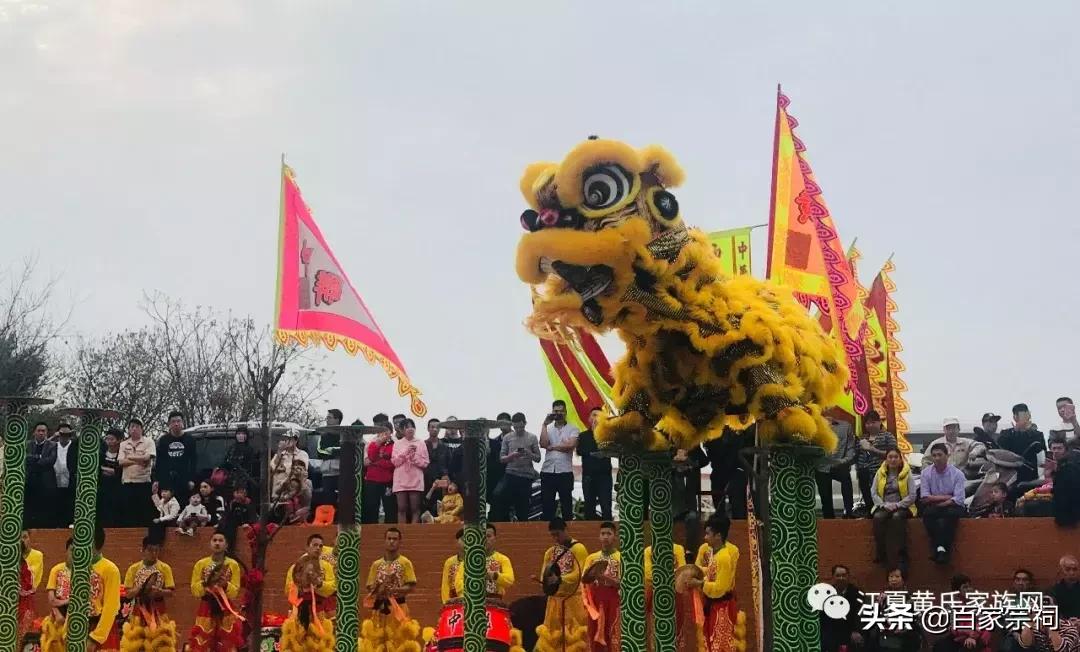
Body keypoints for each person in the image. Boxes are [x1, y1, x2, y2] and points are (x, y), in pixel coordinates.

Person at [360, 528, 422, 652]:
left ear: (400, 542)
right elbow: (370, 586)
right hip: (379, 609)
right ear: (384, 541)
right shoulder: (376, 564)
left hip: (398, 607)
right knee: (376, 642)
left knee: (399, 640)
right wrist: (378, 589)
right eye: (389, 539)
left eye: (395, 539)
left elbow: (411, 585)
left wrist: (394, 590)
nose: (392, 541)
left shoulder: (405, 562)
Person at [691, 515, 746, 652]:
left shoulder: (724, 557)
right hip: (713, 606)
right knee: (711, 644)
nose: (705, 537)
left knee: (721, 646)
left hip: (722, 608)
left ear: (718, 536)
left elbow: (719, 589)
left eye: (708, 534)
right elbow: (709, 573)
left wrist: (700, 583)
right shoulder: (712, 553)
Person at [535, 518, 589, 652]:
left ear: (565, 530)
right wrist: (543, 581)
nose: (555, 538)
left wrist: (560, 579)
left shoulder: (579, 548)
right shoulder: (550, 552)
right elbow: (545, 573)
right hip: (554, 601)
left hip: (573, 600)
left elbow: (580, 573)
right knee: (552, 637)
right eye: (552, 535)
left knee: (575, 637)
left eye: (557, 534)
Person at [187, 530, 244, 651]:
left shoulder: (233, 564)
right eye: (214, 540)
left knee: (227, 642)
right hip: (206, 607)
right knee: (202, 642)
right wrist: (206, 584)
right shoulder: (201, 564)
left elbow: (235, 591)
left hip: (226, 608)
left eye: (220, 540)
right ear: (210, 544)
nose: (217, 543)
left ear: (226, 545)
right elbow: (194, 589)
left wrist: (225, 585)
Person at [120, 536, 177, 651]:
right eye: (150, 550)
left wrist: (160, 592)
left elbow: (171, 592)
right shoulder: (133, 569)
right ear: (143, 550)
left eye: (157, 550)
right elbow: (128, 594)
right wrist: (139, 589)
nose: (154, 553)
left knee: (161, 644)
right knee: (136, 644)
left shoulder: (165, 568)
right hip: (138, 609)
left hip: (159, 610)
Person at [644, 540, 698, 652]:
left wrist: (661, 574)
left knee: (678, 627)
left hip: (676, 593)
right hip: (656, 594)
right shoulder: (649, 551)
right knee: (656, 629)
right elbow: (648, 574)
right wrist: (672, 574)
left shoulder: (678, 548)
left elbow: (683, 572)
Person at [919, 443, 966, 564]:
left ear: (947, 455)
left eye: (940, 455)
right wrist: (947, 496)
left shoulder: (957, 474)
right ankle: (942, 550)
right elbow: (924, 497)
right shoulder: (925, 473)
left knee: (948, 516)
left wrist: (939, 501)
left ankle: (940, 549)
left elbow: (959, 499)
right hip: (934, 507)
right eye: (934, 455)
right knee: (928, 514)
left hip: (952, 507)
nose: (937, 458)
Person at [871, 447, 917, 567]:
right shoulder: (879, 473)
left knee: (897, 517)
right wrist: (883, 504)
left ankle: (902, 552)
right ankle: (881, 552)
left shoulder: (907, 473)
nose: (893, 460)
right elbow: (874, 492)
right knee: (878, 518)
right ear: (886, 460)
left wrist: (898, 505)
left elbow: (912, 495)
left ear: (900, 459)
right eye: (890, 457)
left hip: (904, 506)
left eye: (896, 457)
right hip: (884, 505)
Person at [283, 533, 337, 634]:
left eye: (320, 546)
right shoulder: (295, 567)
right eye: (315, 545)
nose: (318, 548)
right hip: (300, 611)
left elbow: (332, 587)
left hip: (321, 613)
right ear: (307, 547)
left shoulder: (327, 566)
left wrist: (319, 584)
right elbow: (288, 590)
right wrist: (303, 586)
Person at [494, 412, 541, 522]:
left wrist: (528, 453)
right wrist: (512, 456)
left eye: (520, 427)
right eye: (516, 427)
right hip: (511, 473)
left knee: (522, 506)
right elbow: (502, 458)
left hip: (526, 476)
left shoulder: (532, 437)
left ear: (525, 423)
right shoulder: (507, 437)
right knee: (498, 496)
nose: (518, 430)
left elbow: (538, 458)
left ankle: (523, 529)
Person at [582, 522, 621, 652]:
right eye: (602, 533)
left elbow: (623, 584)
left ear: (615, 537)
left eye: (608, 533)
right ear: (599, 537)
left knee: (613, 632)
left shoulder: (621, 558)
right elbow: (584, 581)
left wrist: (603, 578)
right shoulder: (592, 558)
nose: (605, 537)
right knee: (593, 633)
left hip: (614, 600)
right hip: (595, 600)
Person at [540, 400, 579, 521]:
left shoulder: (573, 429)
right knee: (547, 506)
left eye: (561, 411)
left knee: (566, 505)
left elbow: (570, 446)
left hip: (565, 471)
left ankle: (569, 533)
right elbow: (543, 444)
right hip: (548, 471)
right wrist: (544, 425)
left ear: (566, 412)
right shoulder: (548, 429)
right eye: (555, 411)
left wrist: (553, 447)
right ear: (552, 412)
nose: (558, 414)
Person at [932, 574, 991, 652]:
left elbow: (983, 622)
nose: (969, 589)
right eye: (965, 587)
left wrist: (972, 636)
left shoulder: (978, 601)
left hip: (979, 634)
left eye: (969, 586)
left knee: (967, 647)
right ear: (957, 590)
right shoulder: (952, 603)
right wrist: (966, 632)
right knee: (940, 646)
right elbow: (952, 625)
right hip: (960, 634)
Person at [854, 410, 896, 513]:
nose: (870, 425)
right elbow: (857, 453)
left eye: (873, 422)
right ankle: (869, 511)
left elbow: (893, 454)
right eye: (868, 423)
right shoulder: (863, 438)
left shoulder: (887, 436)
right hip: (863, 472)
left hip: (880, 472)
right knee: (866, 495)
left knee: (879, 494)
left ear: (879, 422)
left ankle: (881, 511)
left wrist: (872, 449)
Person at [815, 416, 856, 519]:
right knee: (825, 498)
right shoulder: (815, 425)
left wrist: (845, 460)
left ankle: (848, 511)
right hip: (822, 465)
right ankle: (829, 520)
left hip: (839, 463)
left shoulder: (846, 426)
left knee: (846, 479)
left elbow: (850, 446)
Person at [577, 407, 614, 521]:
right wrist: (592, 453)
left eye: (598, 415)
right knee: (589, 507)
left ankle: (608, 533)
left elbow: (613, 450)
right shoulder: (583, 436)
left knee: (606, 507)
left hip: (604, 476)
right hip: (589, 476)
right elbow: (579, 451)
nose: (595, 418)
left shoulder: (608, 435)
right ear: (589, 418)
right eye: (593, 415)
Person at [118, 417, 155, 528]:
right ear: (129, 429)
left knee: (143, 512)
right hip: (128, 482)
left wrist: (130, 456)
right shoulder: (123, 444)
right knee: (128, 513)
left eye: (137, 427)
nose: (134, 429)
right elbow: (120, 462)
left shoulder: (149, 441)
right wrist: (139, 459)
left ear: (142, 429)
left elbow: (148, 457)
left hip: (143, 482)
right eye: (132, 427)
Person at [154, 411, 197, 505]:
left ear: (183, 423)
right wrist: (157, 479)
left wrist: (192, 479)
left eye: (178, 421)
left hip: (184, 480)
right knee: (167, 509)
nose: (176, 424)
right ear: (169, 424)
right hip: (167, 480)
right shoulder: (163, 440)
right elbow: (159, 461)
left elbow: (194, 461)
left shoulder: (190, 440)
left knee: (183, 508)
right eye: (173, 421)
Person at [997, 403, 1047, 485]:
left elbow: (1042, 456)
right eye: (1022, 416)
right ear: (1015, 417)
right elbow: (1001, 451)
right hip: (1010, 477)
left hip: (1031, 477)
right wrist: (1016, 430)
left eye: (1027, 415)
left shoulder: (1037, 435)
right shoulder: (1006, 434)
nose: (1026, 419)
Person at [819, 564, 865, 652]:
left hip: (850, 631)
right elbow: (823, 617)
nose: (841, 578)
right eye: (838, 575)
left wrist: (856, 630)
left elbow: (860, 614)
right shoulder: (826, 593)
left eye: (844, 575)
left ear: (848, 577)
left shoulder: (857, 593)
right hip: (831, 632)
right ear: (833, 577)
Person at [392, 418, 430, 523]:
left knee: (415, 508)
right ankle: (401, 533)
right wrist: (405, 453)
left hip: (415, 479)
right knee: (401, 508)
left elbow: (425, 463)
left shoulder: (421, 443)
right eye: (406, 427)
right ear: (401, 430)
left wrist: (414, 458)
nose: (410, 429)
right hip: (400, 480)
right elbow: (395, 462)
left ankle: (413, 533)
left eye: (412, 426)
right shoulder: (397, 443)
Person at [922, 418, 987, 477]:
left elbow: (980, 446)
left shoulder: (965, 442)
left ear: (958, 429)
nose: (951, 431)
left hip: (962, 478)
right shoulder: (936, 444)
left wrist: (974, 452)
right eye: (948, 428)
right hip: (941, 478)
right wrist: (932, 476)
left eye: (954, 428)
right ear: (944, 430)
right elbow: (925, 461)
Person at [40, 538, 73, 652]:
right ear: (66, 551)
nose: (74, 554)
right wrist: (59, 611)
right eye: (71, 550)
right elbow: (51, 600)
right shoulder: (56, 570)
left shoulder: (87, 572)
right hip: (58, 618)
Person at [25, 421, 57, 529]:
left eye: (43, 431)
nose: (41, 433)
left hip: (46, 482)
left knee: (44, 509)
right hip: (30, 481)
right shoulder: (28, 444)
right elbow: (26, 458)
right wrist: (39, 457)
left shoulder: (53, 445)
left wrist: (35, 460)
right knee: (29, 508)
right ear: (34, 432)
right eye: (39, 431)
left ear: (47, 433)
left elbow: (50, 461)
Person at [362, 425, 398, 524]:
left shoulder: (396, 444)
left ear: (391, 432)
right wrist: (378, 443)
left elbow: (393, 463)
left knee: (389, 508)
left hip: (388, 481)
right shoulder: (372, 443)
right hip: (372, 480)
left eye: (387, 432)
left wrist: (378, 462)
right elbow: (370, 459)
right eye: (381, 431)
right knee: (371, 507)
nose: (384, 434)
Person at [52, 422, 78, 528]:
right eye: (62, 434)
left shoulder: (74, 446)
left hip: (70, 479)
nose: (64, 437)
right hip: (55, 479)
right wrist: (54, 436)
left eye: (67, 434)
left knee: (69, 503)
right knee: (56, 504)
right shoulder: (53, 445)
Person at [270, 431, 310, 496]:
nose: (287, 441)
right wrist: (280, 450)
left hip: (295, 483)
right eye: (286, 438)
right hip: (280, 485)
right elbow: (274, 467)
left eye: (290, 438)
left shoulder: (303, 454)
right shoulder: (280, 454)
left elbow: (302, 469)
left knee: (308, 484)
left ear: (296, 440)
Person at [425, 418, 452, 513]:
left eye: (437, 427)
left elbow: (449, 464)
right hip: (426, 481)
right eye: (432, 427)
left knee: (441, 509)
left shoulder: (445, 446)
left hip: (442, 482)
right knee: (425, 508)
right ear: (428, 429)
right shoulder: (422, 445)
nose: (434, 429)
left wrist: (446, 475)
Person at [221, 426, 258, 493]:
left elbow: (252, 465)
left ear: (246, 436)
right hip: (230, 481)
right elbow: (225, 462)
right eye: (239, 434)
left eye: (243, 434)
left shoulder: (250, 449)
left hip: (245, 481)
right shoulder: (232, 448)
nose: (240, 436)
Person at [98, 427, 123, 527]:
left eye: (112, 439)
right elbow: (98, 469)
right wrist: (109, 470)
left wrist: (106, 469)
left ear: (118, 440)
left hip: (117, 489)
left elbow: (119, 472)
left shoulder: (122, 455)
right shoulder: (101, 454)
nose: (109, 441)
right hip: (103, 489)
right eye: (107, 439)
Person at [440, 530, 465, 604]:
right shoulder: (450, 562)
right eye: (463, 539)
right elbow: (445, 585)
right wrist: (446, 603)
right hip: (453, 601)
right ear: (457, 542)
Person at [1052, 555, 1080, 620]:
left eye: (1075, 569)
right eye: (1067, 569)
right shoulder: (1054, 590)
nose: (1072, 573)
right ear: (1061, 571)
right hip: (1062, 625)